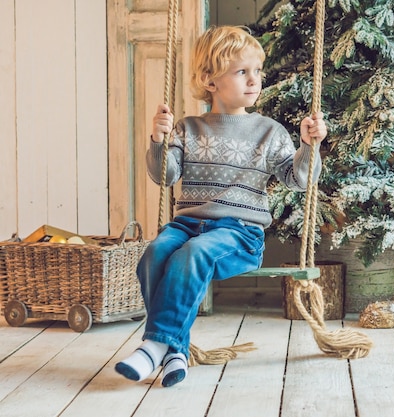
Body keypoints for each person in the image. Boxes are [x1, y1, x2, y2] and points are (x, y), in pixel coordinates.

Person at [115, 25, 326, 388]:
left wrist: (309, 146)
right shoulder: (189, 128)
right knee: (154, 255)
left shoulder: (269, 131)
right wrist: (158, 139)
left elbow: (298, 179)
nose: (254, 80)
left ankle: (153, 347)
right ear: (209, 80)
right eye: (242, 71)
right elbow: (164, 175)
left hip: (238, 234)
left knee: (191, 255)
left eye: (257, 71)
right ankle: (175, 349)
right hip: (187, 226)